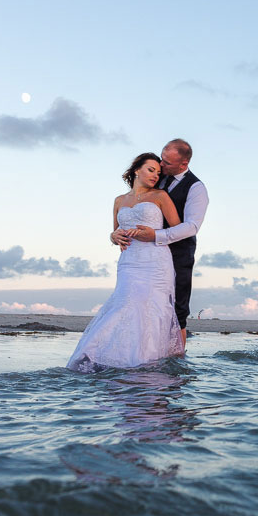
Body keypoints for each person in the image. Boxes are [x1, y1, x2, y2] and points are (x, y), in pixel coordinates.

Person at [66, 153, 185, 372]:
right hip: (129, 261)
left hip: (155, 260)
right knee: (124, 304)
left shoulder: (160, 196)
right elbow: (115, 232)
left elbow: (179, 230)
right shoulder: (119, 201)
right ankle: (101, 355)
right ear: (136, 169)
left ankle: (145, 363)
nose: (155, 175)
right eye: (151, 170)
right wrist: (112, 237)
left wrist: (153, 233)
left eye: (158, 173)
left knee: (150, 310)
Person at [111, 139, 208, 347]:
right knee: (138, 306)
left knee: (177, 310)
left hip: (178, 253)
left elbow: (191, 227)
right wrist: (115, 235)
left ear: (183, 164)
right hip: (140, 257)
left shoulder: (196, 188)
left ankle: (178, 365)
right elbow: (130, 211)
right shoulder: (156, 177)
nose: (161, 167)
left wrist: (155, 236)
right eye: (161, 160)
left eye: (167, 163)